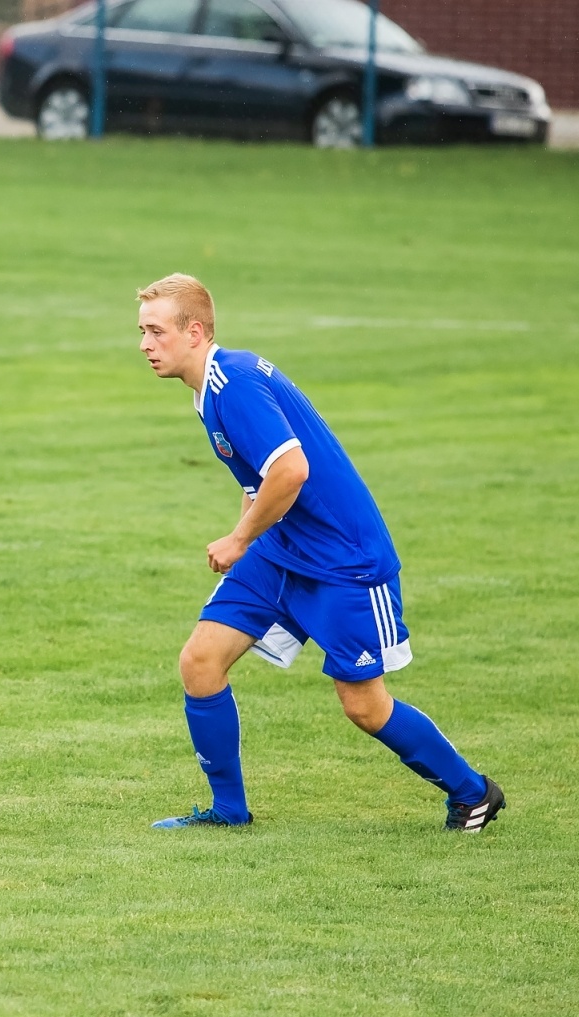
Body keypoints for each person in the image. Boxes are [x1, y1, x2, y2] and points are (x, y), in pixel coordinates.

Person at [137, 273, 505, 832]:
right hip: (283, 547)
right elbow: (260, 477)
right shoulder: (207, 390)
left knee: (364, 706)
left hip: (343, 561)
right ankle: (228, 812)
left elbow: (291, 469)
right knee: (200, 661)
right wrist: (249, 535)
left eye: (156, 332)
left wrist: (238, 539)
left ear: (194, 331)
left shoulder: (232, 383)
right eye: (142, 332)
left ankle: (473, 792)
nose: (145, 344)